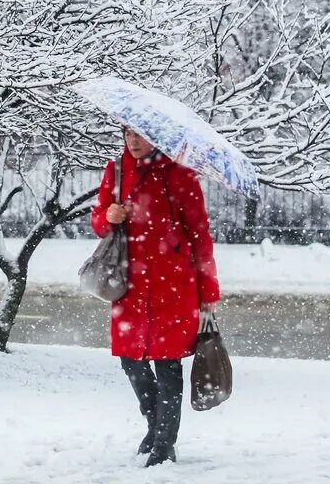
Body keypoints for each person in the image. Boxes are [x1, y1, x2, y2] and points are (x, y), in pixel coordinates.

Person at [91, 126, 220, 466]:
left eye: (141, 135)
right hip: (130, 285)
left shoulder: (179, 174)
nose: (133, 141)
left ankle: (165, 442)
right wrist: (108, 216)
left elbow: (200, 234)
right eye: (128, 134)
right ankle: (153, 423)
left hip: (173, 286)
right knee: (131, 361)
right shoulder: (116, 170)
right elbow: (99, 221)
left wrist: (209, 291)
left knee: (167, 365)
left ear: (156, 137)